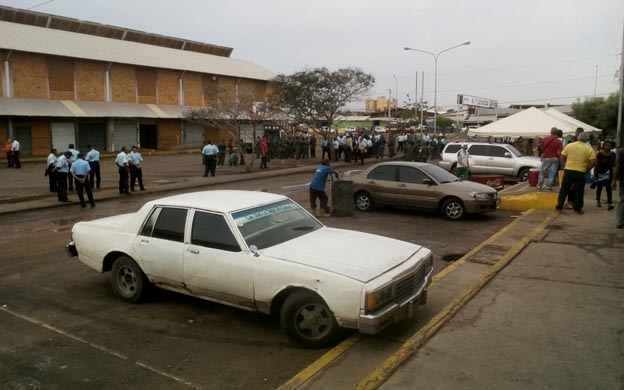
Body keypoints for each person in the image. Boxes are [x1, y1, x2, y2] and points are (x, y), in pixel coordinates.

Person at [555, 132, 596, 214]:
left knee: (564, 189)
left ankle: (559, 206)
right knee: (579, 191)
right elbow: (593, 161)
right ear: (587, 139)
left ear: (578, 137)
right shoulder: (589, 148)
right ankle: (578, 208)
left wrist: (564, 166)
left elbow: (562, 156)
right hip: (581, 171)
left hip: (569, 170)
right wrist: (587, 169)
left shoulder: (570, 145)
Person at [537, 127, 564, 191]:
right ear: (556, 133)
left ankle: (539, 186)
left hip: (546, 157)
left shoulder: (544, 139)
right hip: (555, 158)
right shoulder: (558, 141)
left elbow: (541, 148)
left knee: (542, 172)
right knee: (552, 173)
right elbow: (561, 151)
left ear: (550, 132)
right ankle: (549, 187)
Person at [591, 140, 615, 209]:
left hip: (609, 172)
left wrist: (614, 177)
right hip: (600, 172)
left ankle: (609, 203)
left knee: (609, 188)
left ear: (611, 146)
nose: (608, 146)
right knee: (599, 187)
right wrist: (595, 175)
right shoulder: (600, 154)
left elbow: (614, 165)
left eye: (609, 145)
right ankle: (598, 201)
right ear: (603, 146)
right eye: (606, 145)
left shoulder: (613, 154)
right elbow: (596, 165)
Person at [614, 144, 624, 229]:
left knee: (622, 200)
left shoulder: (621, 151)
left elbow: (618, 166)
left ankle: (620, 221)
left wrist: (614, 180)